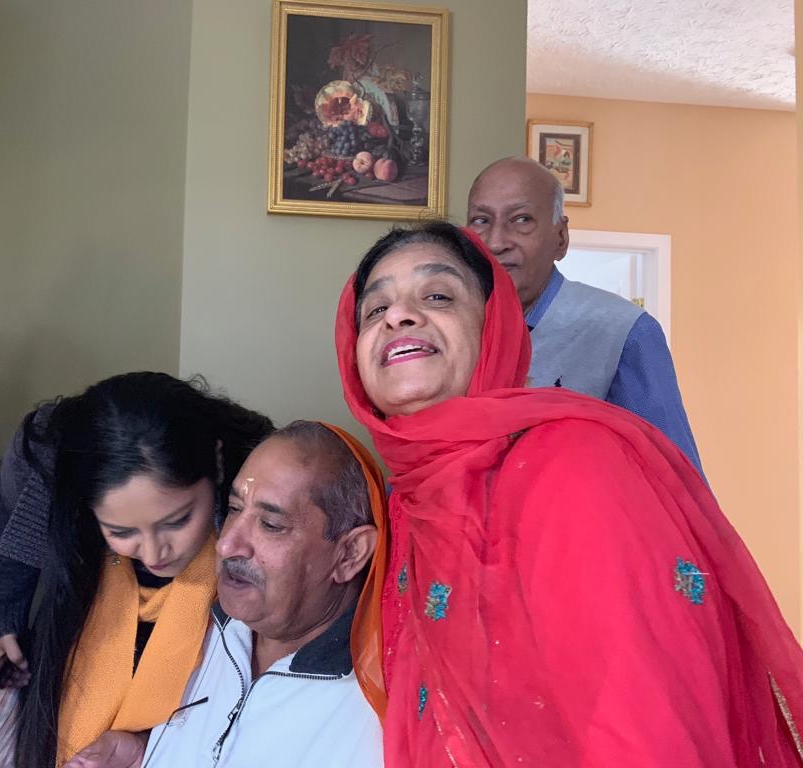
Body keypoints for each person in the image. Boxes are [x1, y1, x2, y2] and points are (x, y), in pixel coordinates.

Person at [336, 221, 803, 766]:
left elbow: (644, 726)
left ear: (495, 326)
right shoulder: (404, 502)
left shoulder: (574, 461)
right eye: (375, 309)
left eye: (437, 295)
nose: (398, 315)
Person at [0, 373, 273, 767]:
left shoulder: (262, 475)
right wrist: (4, 619)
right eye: (121, 532)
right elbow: (7, 528)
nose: (155, 553)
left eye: (177, 520)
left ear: (218, 463)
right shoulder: (50, 456)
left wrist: (147, 744)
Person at [67, 421, 387, 768]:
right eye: (234, 509)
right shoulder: (205, 625)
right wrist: (143, 753)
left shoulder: (373, 717)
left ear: (350, 553)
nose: (227, 544)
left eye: (271, 525)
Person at [467, 156, 704, 472]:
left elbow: (673, 474)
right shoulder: (447, 327)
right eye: (481, 220)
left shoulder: (624, 332)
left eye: (521, 220)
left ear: (561, 238)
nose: (496, 242)